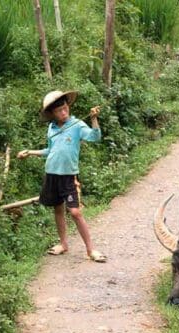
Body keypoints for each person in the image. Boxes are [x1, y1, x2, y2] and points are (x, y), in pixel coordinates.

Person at [17, 90, 107, 263]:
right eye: (59, 111)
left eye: (66, 108)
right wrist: (30, 152)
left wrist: (94, 119)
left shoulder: (77, 125)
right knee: (57, 209)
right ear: (52, 114)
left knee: (75, 212)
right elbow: (50, 150)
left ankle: (91, 249)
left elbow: (95, 137)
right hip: (51, 174)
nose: (64, 112)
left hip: (68, 177)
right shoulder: (52, 128)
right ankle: (63, 244)